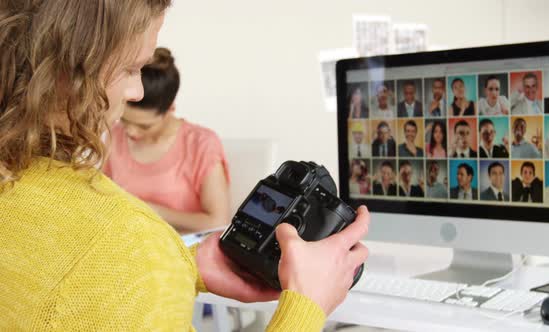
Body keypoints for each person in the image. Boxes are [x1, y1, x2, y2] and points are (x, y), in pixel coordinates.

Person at [0, 1, 370, 330]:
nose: (136, 92)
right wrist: (307, 306)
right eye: (130, 68)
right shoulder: (127, 240)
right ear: (66, 72)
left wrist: (175, 266)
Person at [104, 47, 230, 234]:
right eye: (124, 120)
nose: (130, 131)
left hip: (182, 252)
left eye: (145, 126)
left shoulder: (201, 144)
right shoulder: (114, 135)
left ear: (170, 108)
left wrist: (150, 210)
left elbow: (218, 221)